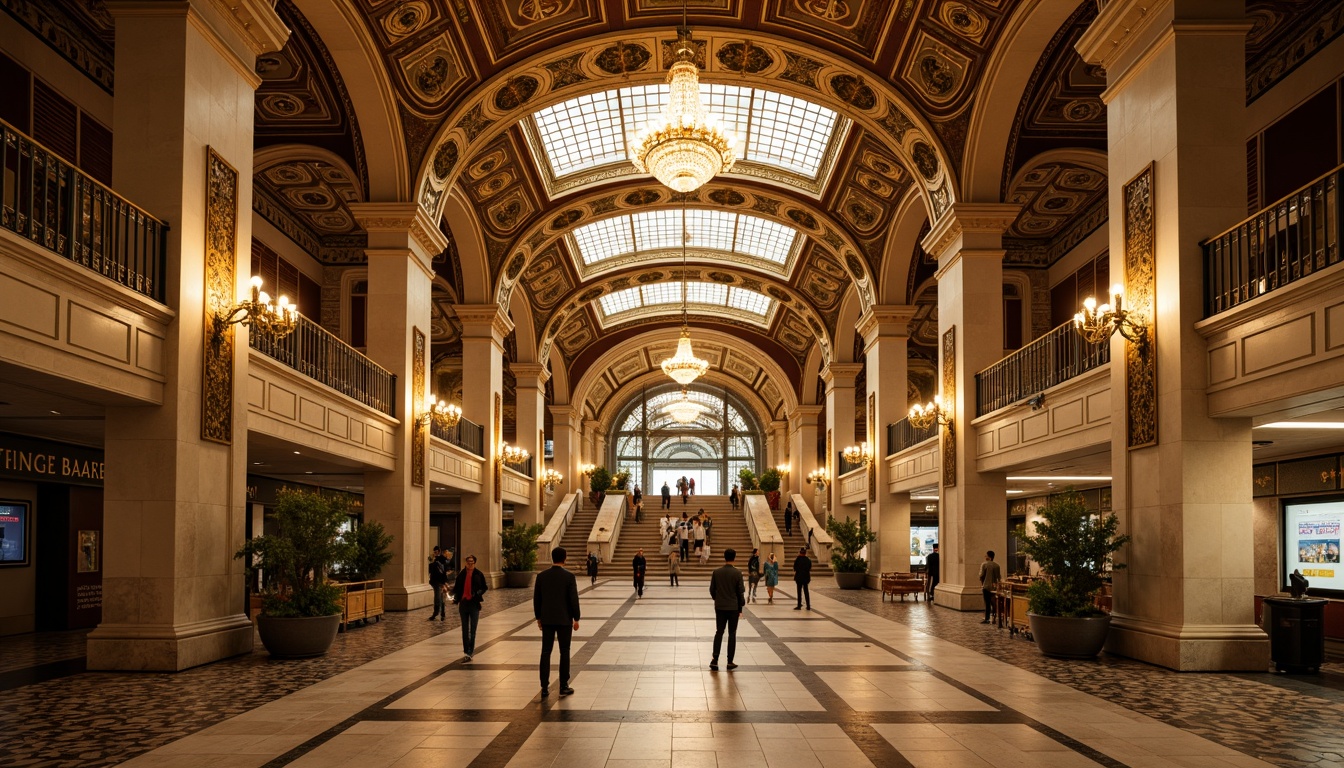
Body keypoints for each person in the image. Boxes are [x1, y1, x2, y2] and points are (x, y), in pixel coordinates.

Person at [534, 547, 580, 698]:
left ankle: (544, 687)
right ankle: (563, 685)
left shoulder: (541, 576)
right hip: (564, 619)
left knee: (546, 651)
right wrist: (576, 618)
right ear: (565, 558)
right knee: (564, 651)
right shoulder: (569, 577)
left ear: (552, 558)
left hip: (547, 619)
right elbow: (573, 599)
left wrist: (538, 618)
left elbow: (537, 599)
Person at [708, 548, 746, 671]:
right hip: (733, 607)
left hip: (720, 607)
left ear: (724, 557)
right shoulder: (737, 573)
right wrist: (741, 605)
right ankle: (730, 661)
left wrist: (717, 599)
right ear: (734, 557)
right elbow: (740, 592)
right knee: (732, 633)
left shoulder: (716, 572)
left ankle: (715, 659)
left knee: (719, 632)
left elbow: (712, 590)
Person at [450, 554, 487, 660]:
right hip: (463, 604)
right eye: (468, 562)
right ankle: (466, 651)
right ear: (465, 563)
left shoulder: (479, 574)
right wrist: (451, 594)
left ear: (475, 563)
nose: (470, 564)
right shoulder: (461, 574)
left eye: (472, 562)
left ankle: (471, 651)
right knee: (465, 629)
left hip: (474, 604)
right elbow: (457, 588)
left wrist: (478, 593)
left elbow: (484, 587)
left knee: (473, 629)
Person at [428, 546, 450, 621]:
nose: (435, 553)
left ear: (439, 551)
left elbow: (443, 571)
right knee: (439, 597)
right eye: (434, 552)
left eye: (436, 552)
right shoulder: (436, 560)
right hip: (435, 581)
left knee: (438, 598)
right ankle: (440, 613)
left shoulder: (441, 560)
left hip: (439, 581)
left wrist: (444, 582)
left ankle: (438, 613)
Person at [980, 550, 1001, 624]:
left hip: (986, 586)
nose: (985, 557)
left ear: (989, 557)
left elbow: (981, 575)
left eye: (986, 556)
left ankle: (987, 618)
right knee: (994, 603)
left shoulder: (984, 564)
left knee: (987, 603)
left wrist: (982, 584)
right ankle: (995, 617)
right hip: (994, 587)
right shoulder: (997, 565)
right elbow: (998, 577)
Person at [792, 547, 812, 611]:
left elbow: (794, 568)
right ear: (805, 553)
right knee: (806, 591)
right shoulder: (808, 560)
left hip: (799, 577)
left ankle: (799, 605)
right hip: (806, 577)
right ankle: (808, 606)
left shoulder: (798, 559)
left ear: (800, 553)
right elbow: (809, 568)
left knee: (799, 592)